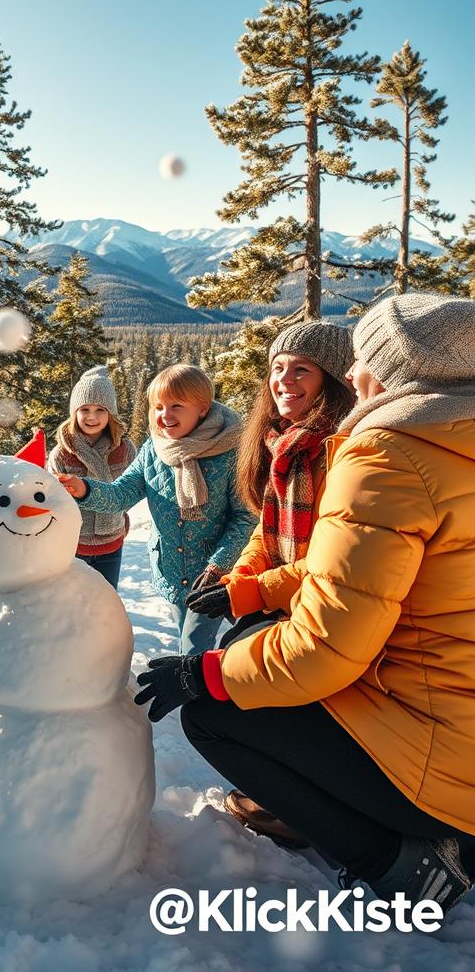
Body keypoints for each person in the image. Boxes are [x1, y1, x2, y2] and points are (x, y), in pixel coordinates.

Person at [135, 294, 475, 916]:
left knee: (215, 711)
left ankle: (404, 864)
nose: (353, 376)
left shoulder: (388, 454)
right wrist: (250, 586)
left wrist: (200, 674)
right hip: (449, 710)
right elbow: (326, 563)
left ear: (396, 371)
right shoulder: (451, 445)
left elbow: (327, 645)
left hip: (446, 756)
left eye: (362, 360)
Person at [186, 321, 354, 845]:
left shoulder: (341, 449)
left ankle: (299, 808)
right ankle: (277, 792)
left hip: (327, 606)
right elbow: (268, 529)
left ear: (333, 380)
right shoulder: (282, 444)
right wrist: (235, 579)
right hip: (286, 596)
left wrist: (251, 591)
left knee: (282, 700)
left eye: (301, 369)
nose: (284, 380)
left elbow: (328, 560)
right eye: (277, 368)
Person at [57, 363, 255, 653]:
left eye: (176, 406)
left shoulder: (231, 451)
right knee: (189, 638)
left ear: (202, 408)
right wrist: (84, 489)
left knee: (194, 646)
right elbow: (122, 494)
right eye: (158, 406)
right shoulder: (154, 450)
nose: (165, 416)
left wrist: (217, 566)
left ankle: (202, 693)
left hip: (215, 574)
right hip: (173, 569)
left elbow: (245, 516)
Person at [47, 365, 137, 589]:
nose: (92, 417)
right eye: (84, 409)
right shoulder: (63, 454)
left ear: (111, 414)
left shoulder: (124, 450)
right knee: (74, 607)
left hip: (112, 544)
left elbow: (132, 489)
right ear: (74, 412)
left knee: (105, 605)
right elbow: (53, 500)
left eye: (100, 410)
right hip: (73, 546)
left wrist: (120, 515)